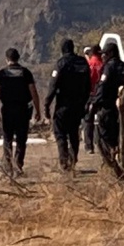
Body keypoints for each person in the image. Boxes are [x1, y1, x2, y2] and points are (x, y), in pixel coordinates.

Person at [0, 48, 42, 177]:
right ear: (18, 58)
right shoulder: (26, 73)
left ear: (7, 59)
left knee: (7, 138)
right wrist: (38, 110)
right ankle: (18, 165)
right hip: (23, 109)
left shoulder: (1, 74)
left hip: (7, 109)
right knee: (21, 139)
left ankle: (8, 166)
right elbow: (33, 92)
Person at [45, 39, 91, 172]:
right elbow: (88, 85)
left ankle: (64, 162)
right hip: (78, 105)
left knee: (60, 134)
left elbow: (53, 85)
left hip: (63, 105)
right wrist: (85, 102)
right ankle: (73, 159)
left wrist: (47, 105)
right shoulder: (83, 62)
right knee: (73, 133)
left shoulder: (61, 63)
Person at [90, 42, 124, 164]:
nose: (103, 57)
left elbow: (102, 87)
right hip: (120, 107)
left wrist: (94, 103)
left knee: (104, 136)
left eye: (105, 54)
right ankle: (119, 158)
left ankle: (110, 161)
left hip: (107, 107)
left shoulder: (109, 67)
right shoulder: (123, 67)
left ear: (111, 54)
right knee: (118, 135)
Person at [83, 45, 103, 155]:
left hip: (91, 95)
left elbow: (88, 80)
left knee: (88, 121)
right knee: (102, 120)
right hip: (102, 95)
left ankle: (89, 146)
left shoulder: (91, 64)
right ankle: (101, 144)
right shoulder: (102, 64)